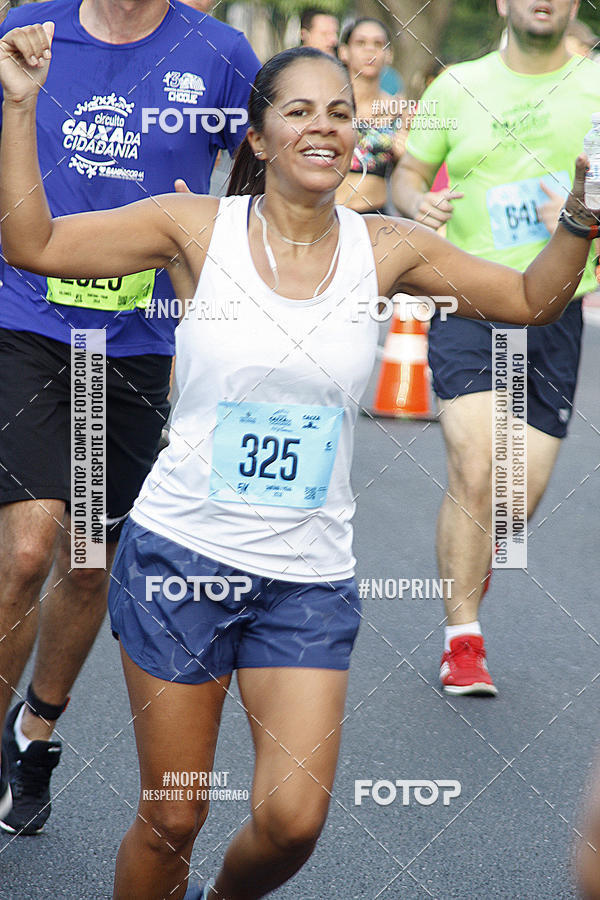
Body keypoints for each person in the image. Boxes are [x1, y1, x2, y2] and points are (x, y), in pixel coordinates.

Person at [0, 27, 597, 900]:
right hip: (179, 561)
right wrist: (19, 108)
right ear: (258, 134)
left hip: (306, 576)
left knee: (292, 823)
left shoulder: (385, 247)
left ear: (358, 134)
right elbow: (34, 244)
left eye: (342, 114)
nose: (324, 128)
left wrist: (583, 215)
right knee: (173, 818)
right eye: (299, 111)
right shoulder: (192, 227)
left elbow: (533, 299)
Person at [0, 0, 259, 837]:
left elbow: (271, 157)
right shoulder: (29, 30)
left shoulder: (217, 52)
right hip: (31, 319)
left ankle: (34, 735)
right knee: (31, 543)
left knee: (84, 562)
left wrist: (223, 227)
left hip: (139, 341)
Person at [392, 0, 599, 696]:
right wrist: (416, 203)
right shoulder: (458, 85)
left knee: (512, 500)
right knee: (477, 466)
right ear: (504, 4)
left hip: (556, 310)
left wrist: (578, 217)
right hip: (470, 296)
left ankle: (471, 566)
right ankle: (463, 638)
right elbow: (410, 172)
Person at [336, 18, 406, 214]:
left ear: (389, 54)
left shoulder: (400, 111)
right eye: (360, 43)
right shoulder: (327, 106)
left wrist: (403, 156)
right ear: (344, 51)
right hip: (327, 216)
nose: (370, 51)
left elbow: (411, 174)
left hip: (376, 218)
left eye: (378, 44)